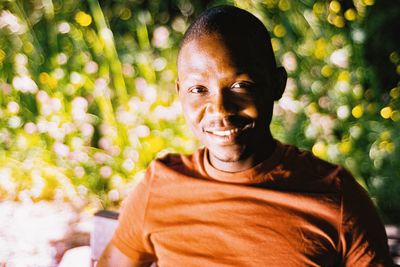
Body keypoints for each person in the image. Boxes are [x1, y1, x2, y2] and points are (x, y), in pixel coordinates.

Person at [98, 5, 393, 267]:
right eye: (198, 90)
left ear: (276, 85)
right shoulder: (159, 188)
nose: (220, 109)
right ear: (179, 94)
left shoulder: (337, 198)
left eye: (241, 86)